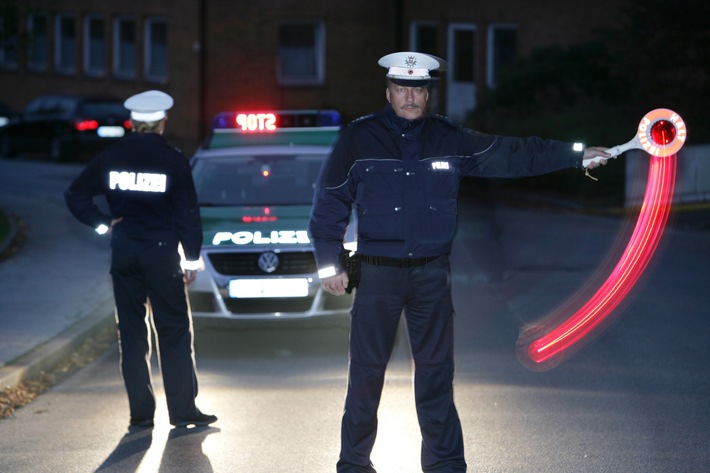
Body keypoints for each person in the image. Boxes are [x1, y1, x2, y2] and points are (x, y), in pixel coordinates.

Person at [308, 51, 609, 472]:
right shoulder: (359, 139)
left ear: (428, 94)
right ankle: (353, 465)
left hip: (431, 273)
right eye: (402, 88)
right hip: (377, 274)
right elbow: (331, 199)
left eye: (418, 89)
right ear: (388, 91)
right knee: (365, 376)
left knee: (435, 376)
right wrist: (329, 261)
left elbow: (513, 153)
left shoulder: (450, 138)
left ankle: (446, 465)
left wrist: (575, 155)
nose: (410, 97)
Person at [64, 90, 216, 429]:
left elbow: (75, 194)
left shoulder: (111, 156)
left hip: (125, 254)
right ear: (163, 123)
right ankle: (183, 412)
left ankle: (141, 414)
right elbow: (187, 214)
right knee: (173, 332)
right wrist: (191, 259)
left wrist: (102, 223)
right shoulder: (174, 160)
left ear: (132, 123)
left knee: (131, 335)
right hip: (161, 256)